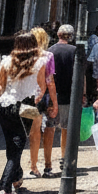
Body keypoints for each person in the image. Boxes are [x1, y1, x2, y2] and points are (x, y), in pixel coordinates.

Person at [0, 32, 47, 194]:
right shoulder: (40, 62)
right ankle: (4, 187)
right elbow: (42, 87)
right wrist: (37, 98)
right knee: (19, 146)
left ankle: (16, 176)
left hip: (5, 105)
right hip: (27, 105)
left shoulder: (6, 61)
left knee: (12, 145)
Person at [46, 25, 77, 170]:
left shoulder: (50, 51)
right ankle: (64, 158)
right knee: (66, 129)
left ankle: (48, 163)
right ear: (71, 36)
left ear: (58, 34)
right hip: (69, 95)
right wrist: (82, 94)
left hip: (52, 96)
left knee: (50, 129)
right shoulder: (74, 51)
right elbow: (80, 75)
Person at [27, 26, 58, 176]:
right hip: (44, 98)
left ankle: (33, 166)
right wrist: (55, 102)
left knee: (34, 134)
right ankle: (48, 165)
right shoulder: (47, 56)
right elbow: (50, 81)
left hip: (30, 97)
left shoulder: (26, 55)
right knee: (49, 130)